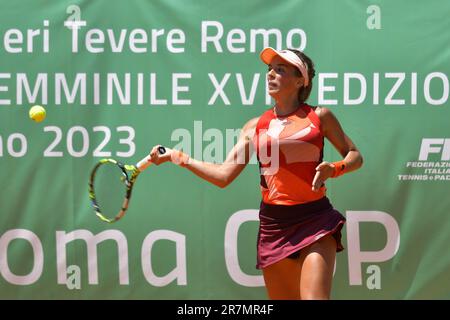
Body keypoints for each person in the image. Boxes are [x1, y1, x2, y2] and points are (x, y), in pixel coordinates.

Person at [148, 47, 363, 300]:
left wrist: (334, 169)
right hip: (274, 227)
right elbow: (223, 175)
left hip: (315, 220)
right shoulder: (254, 127)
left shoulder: (320, 116)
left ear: (300, 80)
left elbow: (355, 155)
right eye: (269, 69)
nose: (270, 74)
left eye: (280, 69)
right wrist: (178, 157)